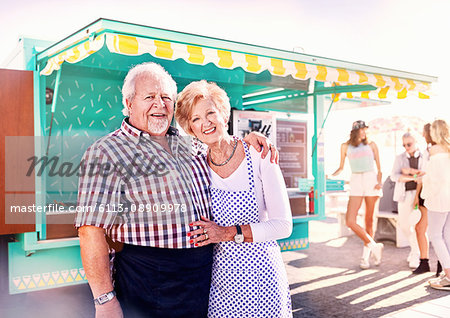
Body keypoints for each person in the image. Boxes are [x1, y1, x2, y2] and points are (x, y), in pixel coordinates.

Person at [76, 62, 276, 318]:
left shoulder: (192, 145)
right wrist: (104, 301)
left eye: (166, 97)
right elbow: (90, 231)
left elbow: (222, 148)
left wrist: (247, 142)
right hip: (147, 277)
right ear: (128, 103)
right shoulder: (105, 152)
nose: (159, 104)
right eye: (149, 97)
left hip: (204, 277)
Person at [175, 80, 293, 317]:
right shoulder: (196, 165)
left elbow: (283, 226)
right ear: (190, 128)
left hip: (263, 280)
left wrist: (227, 233)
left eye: (210, 113)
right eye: (196, 119)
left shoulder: (260, 155)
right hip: (221, 283)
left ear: (224, 115)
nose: (205, 123)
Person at [332, 120, 384, 269]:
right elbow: (341, 167)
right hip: (355, 179)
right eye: (361, 130)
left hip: (371, 179)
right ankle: (375, 246)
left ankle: (365, 258)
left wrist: (379, 182)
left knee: (369, 220)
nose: (363, 132)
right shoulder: (345, 146)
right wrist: (329, 176)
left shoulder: (372, 144)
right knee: (350, 220)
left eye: (365, 129)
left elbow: (380, 168)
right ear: (355, 131)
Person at [422, 119, 450, 290]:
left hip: (439, 198)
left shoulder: (434, 150)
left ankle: (449, 275)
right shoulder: (449, 148)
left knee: (435, 235)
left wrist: (423, 179)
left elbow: (435, 179)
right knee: (447, 235)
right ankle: (447, 275)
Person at [390, 133, 425, 269]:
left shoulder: (424, 156)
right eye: (403, 145)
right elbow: (394, 176)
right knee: (404, 225)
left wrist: (410, 171)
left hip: (421, 196)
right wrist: (413, 177)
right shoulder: (399, 157)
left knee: (419, 226)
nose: (406, 147)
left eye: (409, 144)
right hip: (404, 195)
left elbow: (425, 174)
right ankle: (414, 249)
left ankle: (416, 254)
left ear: (416, 142)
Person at [412, 124, 435, 274]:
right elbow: (423, 175)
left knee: (436, 231)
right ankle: (424, 261)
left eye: (424, 132)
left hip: (433, 194)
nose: (422, 134)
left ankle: (438, 265)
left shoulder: (436, 151)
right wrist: (416, 195)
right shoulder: (426, 151)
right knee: (420, 228)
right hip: (424, 193)